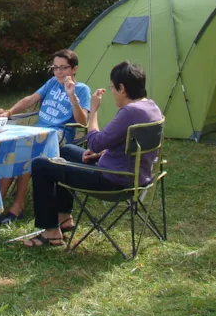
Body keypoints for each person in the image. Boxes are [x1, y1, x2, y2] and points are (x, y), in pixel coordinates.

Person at [22, 61, 163, 247]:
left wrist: (94, 110)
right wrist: (104, 152)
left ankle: (50, 232)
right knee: (65, 150)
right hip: (136, 175)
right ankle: (64, 217)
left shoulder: (129, 112)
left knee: (41, 165)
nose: (111, 91)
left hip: (113, 181)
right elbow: (127, 144)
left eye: (112, 87)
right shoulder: (151, 107)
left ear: (122, 88)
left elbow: (94, 142)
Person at [0, 49, 92, 226]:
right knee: (10, 149)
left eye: (63, 68)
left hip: (58, 135)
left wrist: (72, 96)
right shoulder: (51, 83)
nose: (58, 72)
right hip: (37, 132)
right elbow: (31, 99)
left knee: (26, 152)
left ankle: (16, 207)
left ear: (74, 69)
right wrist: (9, 112)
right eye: (55, 67)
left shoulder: (82, 90)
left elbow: (82, 121)